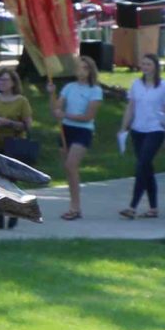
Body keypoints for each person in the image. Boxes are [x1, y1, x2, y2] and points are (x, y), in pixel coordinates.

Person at [119, 53, 165, 221]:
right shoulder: (136, 84)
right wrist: (124, 127)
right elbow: (131, 107)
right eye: (143, 64)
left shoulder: (164, 86)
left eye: (148, 64)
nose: (145, 67)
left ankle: (132, 206)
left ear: (155, 66)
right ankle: (153, 208)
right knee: (147, 168)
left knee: (142, 164)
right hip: (138, 129)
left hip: (156, 129)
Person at [54, 56, 107, 221]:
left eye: (85, 68)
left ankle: (75, 207)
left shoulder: (95, 90)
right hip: (66, 129)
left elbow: (88, 116)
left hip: (82, 130)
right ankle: (73, 204)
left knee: (71, 165)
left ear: (91, 71)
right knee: (68, 170)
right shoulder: (69, 87)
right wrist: (51, 95)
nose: (81, 71)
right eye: (79, 67)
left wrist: (65, 115)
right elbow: (56, 109)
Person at [0, 68, 36, 231]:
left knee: (10, 183)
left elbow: (28, 125)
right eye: (0, 80)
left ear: (13, 82)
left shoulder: (21, 101)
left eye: (6, 80)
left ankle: (15, 211)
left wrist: (9, 123)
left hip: (13, 146)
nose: (2, 83)